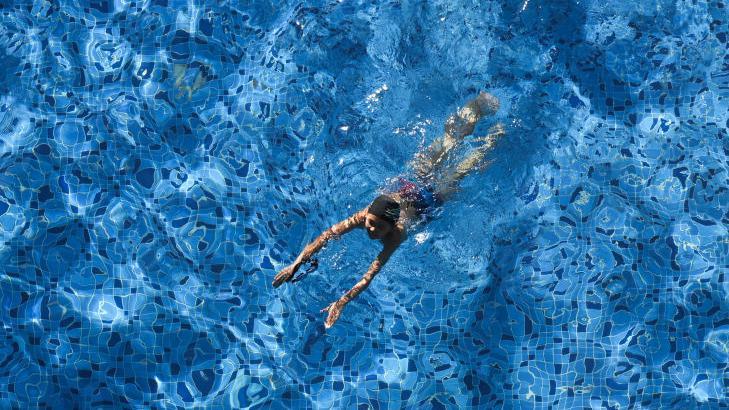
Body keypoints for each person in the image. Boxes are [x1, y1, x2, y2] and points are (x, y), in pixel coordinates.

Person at [273, 91, 504, 328]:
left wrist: (342, 301)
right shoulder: (364, 216)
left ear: (391, 225)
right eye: (370, 222)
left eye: (377, 226)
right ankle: (475, 106)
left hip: (429, 200)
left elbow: (369, 276)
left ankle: (493, 138)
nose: (370, 228)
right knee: (447, 140)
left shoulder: (397, 234)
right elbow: (325, 236)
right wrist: (296, 264)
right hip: (408, 184)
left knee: (464, 168)